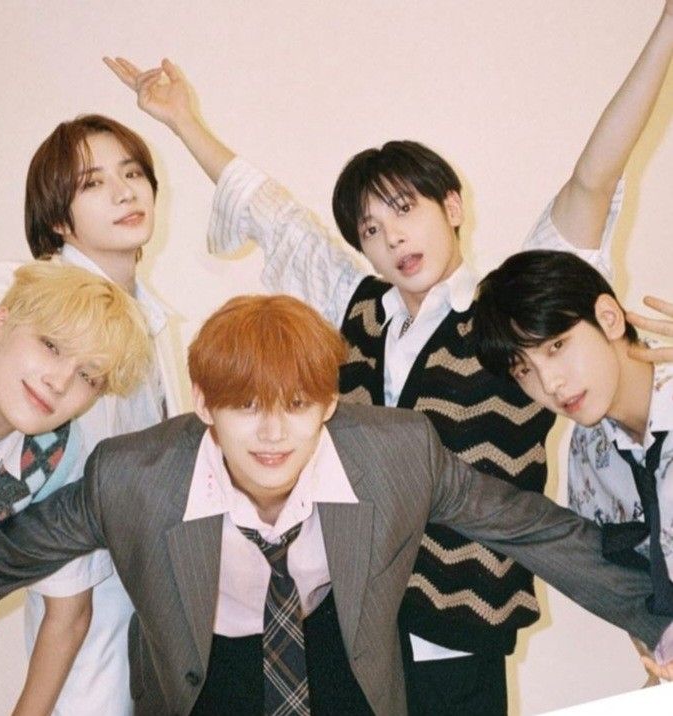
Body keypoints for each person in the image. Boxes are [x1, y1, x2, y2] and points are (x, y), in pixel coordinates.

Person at [103, 3, 673, 711]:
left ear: (452, 206)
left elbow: (592, 178)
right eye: (370, 228)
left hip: (459, 627)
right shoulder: (358, 308)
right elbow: (274, 215)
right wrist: (184, 120)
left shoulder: (506, 320)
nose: (391, 238)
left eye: (405, 209)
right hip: (350, 626)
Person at [0, 293, 673, 716]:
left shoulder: (395, 453)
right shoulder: (132, 476)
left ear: (329, 401)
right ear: (203, 402)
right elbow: (3, 557)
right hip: (203, 668)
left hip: (343, 650)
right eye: (244, 406)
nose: (272, 432)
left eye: (297, 405)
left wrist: (662, 623)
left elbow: (532, 530)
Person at [0, 114, 186, 714]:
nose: (124, 191)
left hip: (115, 592)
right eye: (92, 182)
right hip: (83, 587)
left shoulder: (153, 327)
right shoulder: (27, 288)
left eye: (133, 173)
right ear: (58, 218)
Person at [0, 260, 151, 715]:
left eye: (88, 376)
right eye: (50, 345)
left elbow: (68, 616)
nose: (59, 381)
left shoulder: (61, 459)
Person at [472, 249, 673, 680]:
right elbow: (634, 592)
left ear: (610, 318)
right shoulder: (589, 454)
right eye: (524, 370)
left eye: (557, 346)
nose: (550, 384)